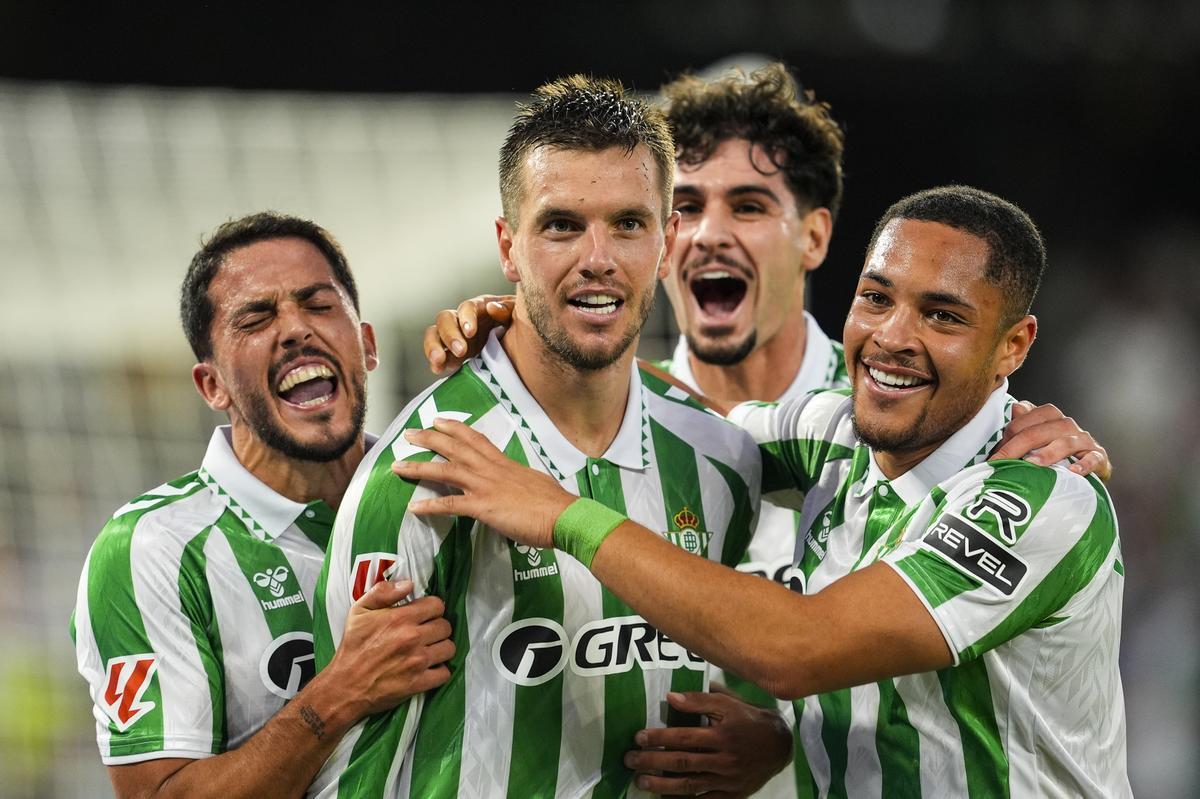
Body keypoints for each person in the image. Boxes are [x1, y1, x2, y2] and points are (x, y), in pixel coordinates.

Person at [423, 64, 1109, 798]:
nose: (894, 336)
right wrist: (533, 326)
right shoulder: (826, 431)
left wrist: (563, 514)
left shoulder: (1034, 492)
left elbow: (799, 647)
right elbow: (679, 420)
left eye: (941, 315)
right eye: (876, 298)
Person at [308, 75, 792, 799]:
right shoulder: (422, 472)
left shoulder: (722, 461)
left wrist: (776, 737)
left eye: (628, 224)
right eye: (562, 224)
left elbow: (767, 675)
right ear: (509, 246)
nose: (598, 257)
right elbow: (346, 777)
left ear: (666, 245)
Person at [71, 213, 455, 799]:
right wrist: (340, 691)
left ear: (367, 345)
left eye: (319, 305)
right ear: (212, 385)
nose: (296, 329)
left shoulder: (448, 489)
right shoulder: (152, 549)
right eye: (256, 318)